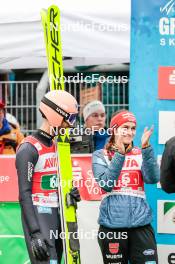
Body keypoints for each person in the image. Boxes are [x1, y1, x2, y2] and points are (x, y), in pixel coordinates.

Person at [16, 90, 81, 264]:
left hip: (57, 215)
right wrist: (35, 233)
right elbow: (24, 195)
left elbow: (56, 182)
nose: (72, 125)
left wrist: (71, 192)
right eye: (71, 118)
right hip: (39, 216)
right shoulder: (29, 148)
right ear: (56, 115)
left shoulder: (58, 146)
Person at [92, 109, 159, 264]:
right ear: (114, 129)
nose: (130, 132)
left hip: (141, 227)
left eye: (133, 128)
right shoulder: (100, 155)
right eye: (125, 127)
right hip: (112, 228)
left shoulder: (140, 152)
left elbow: (153, 178)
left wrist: (146, 148)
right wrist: (120, 155)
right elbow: (106, 184)